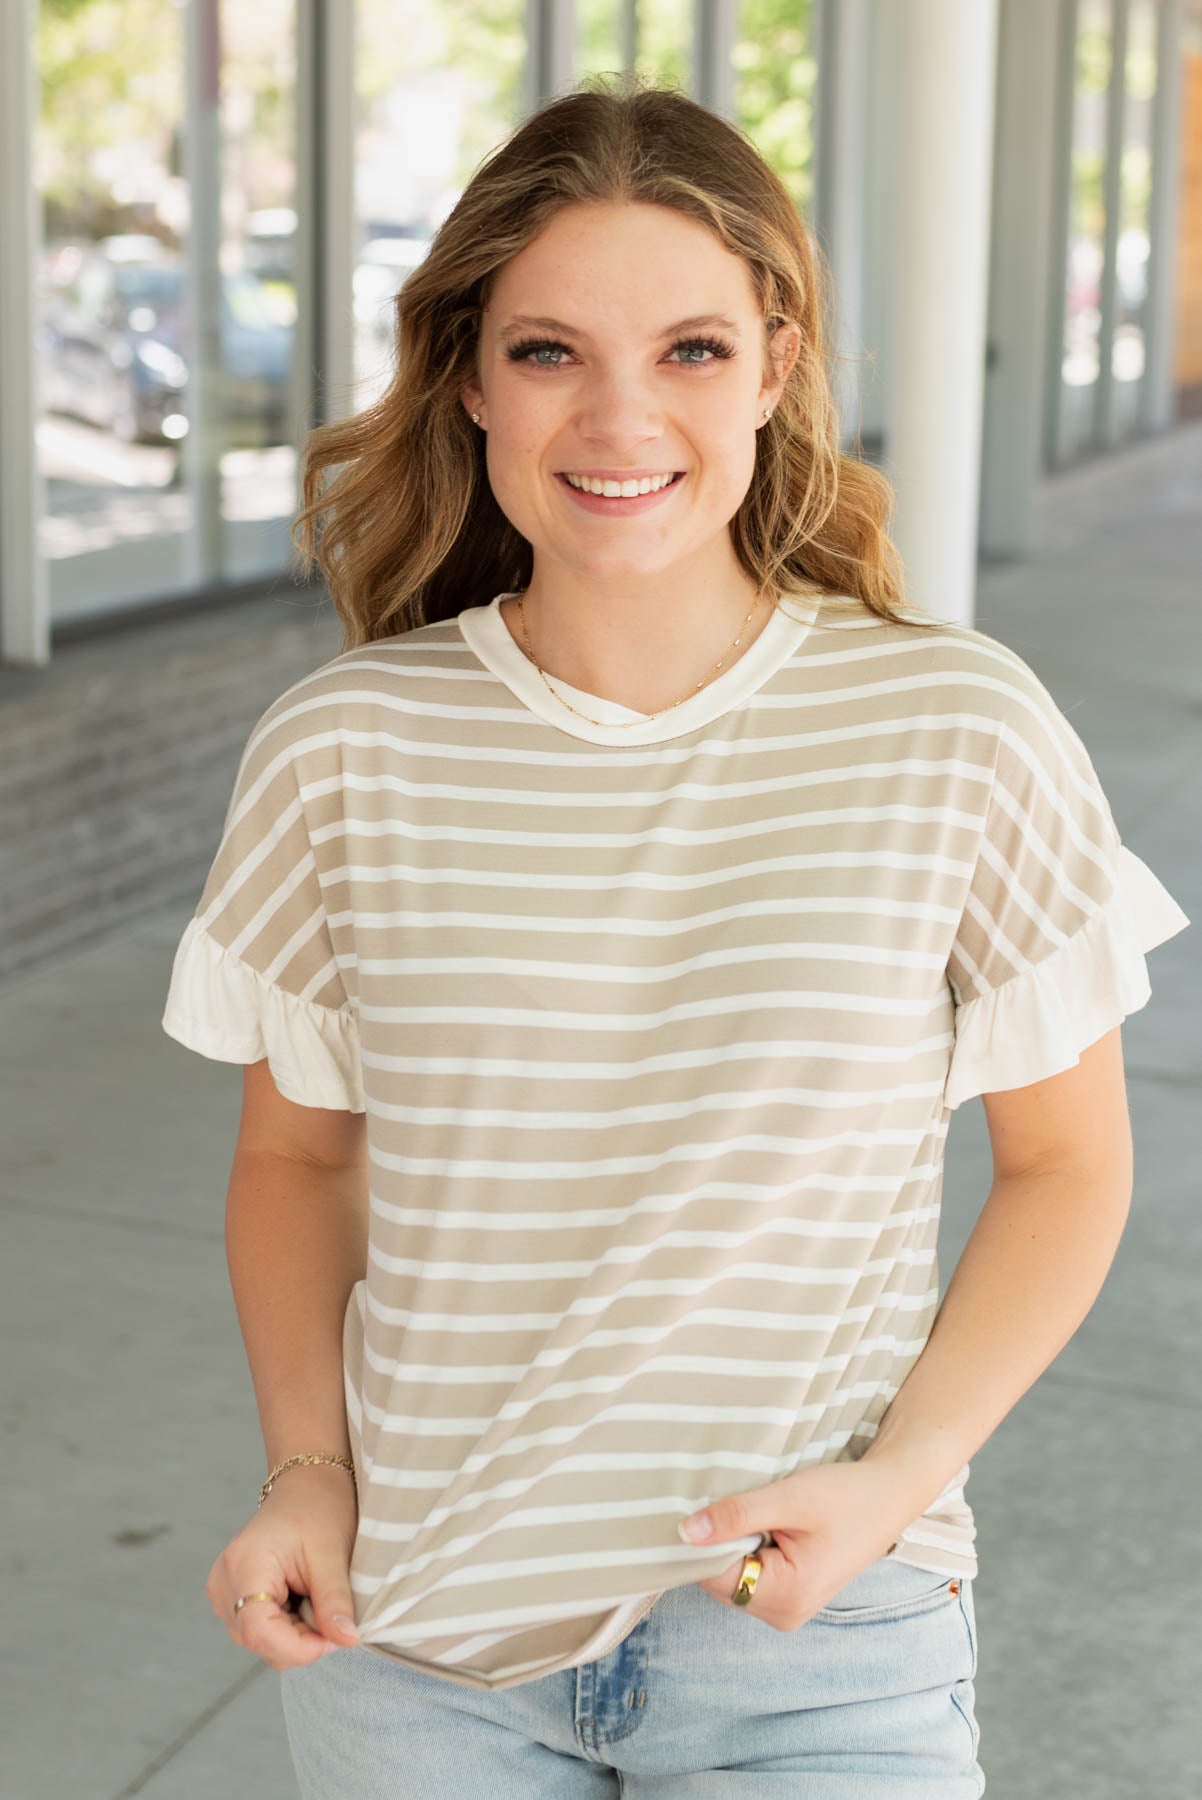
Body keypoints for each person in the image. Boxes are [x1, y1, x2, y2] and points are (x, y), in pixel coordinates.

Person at [161, 76, 1188, 1798]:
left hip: (815, 1638)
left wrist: (897, 1478)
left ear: (774, 367)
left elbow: (1067, 1168)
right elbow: (291, 1164)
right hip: (416, 1649)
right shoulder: (346, 748)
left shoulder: (955, 728)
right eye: (550, 350)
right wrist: (304, 1473)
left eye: (692, 351)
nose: (618, 416)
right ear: (470, 377)